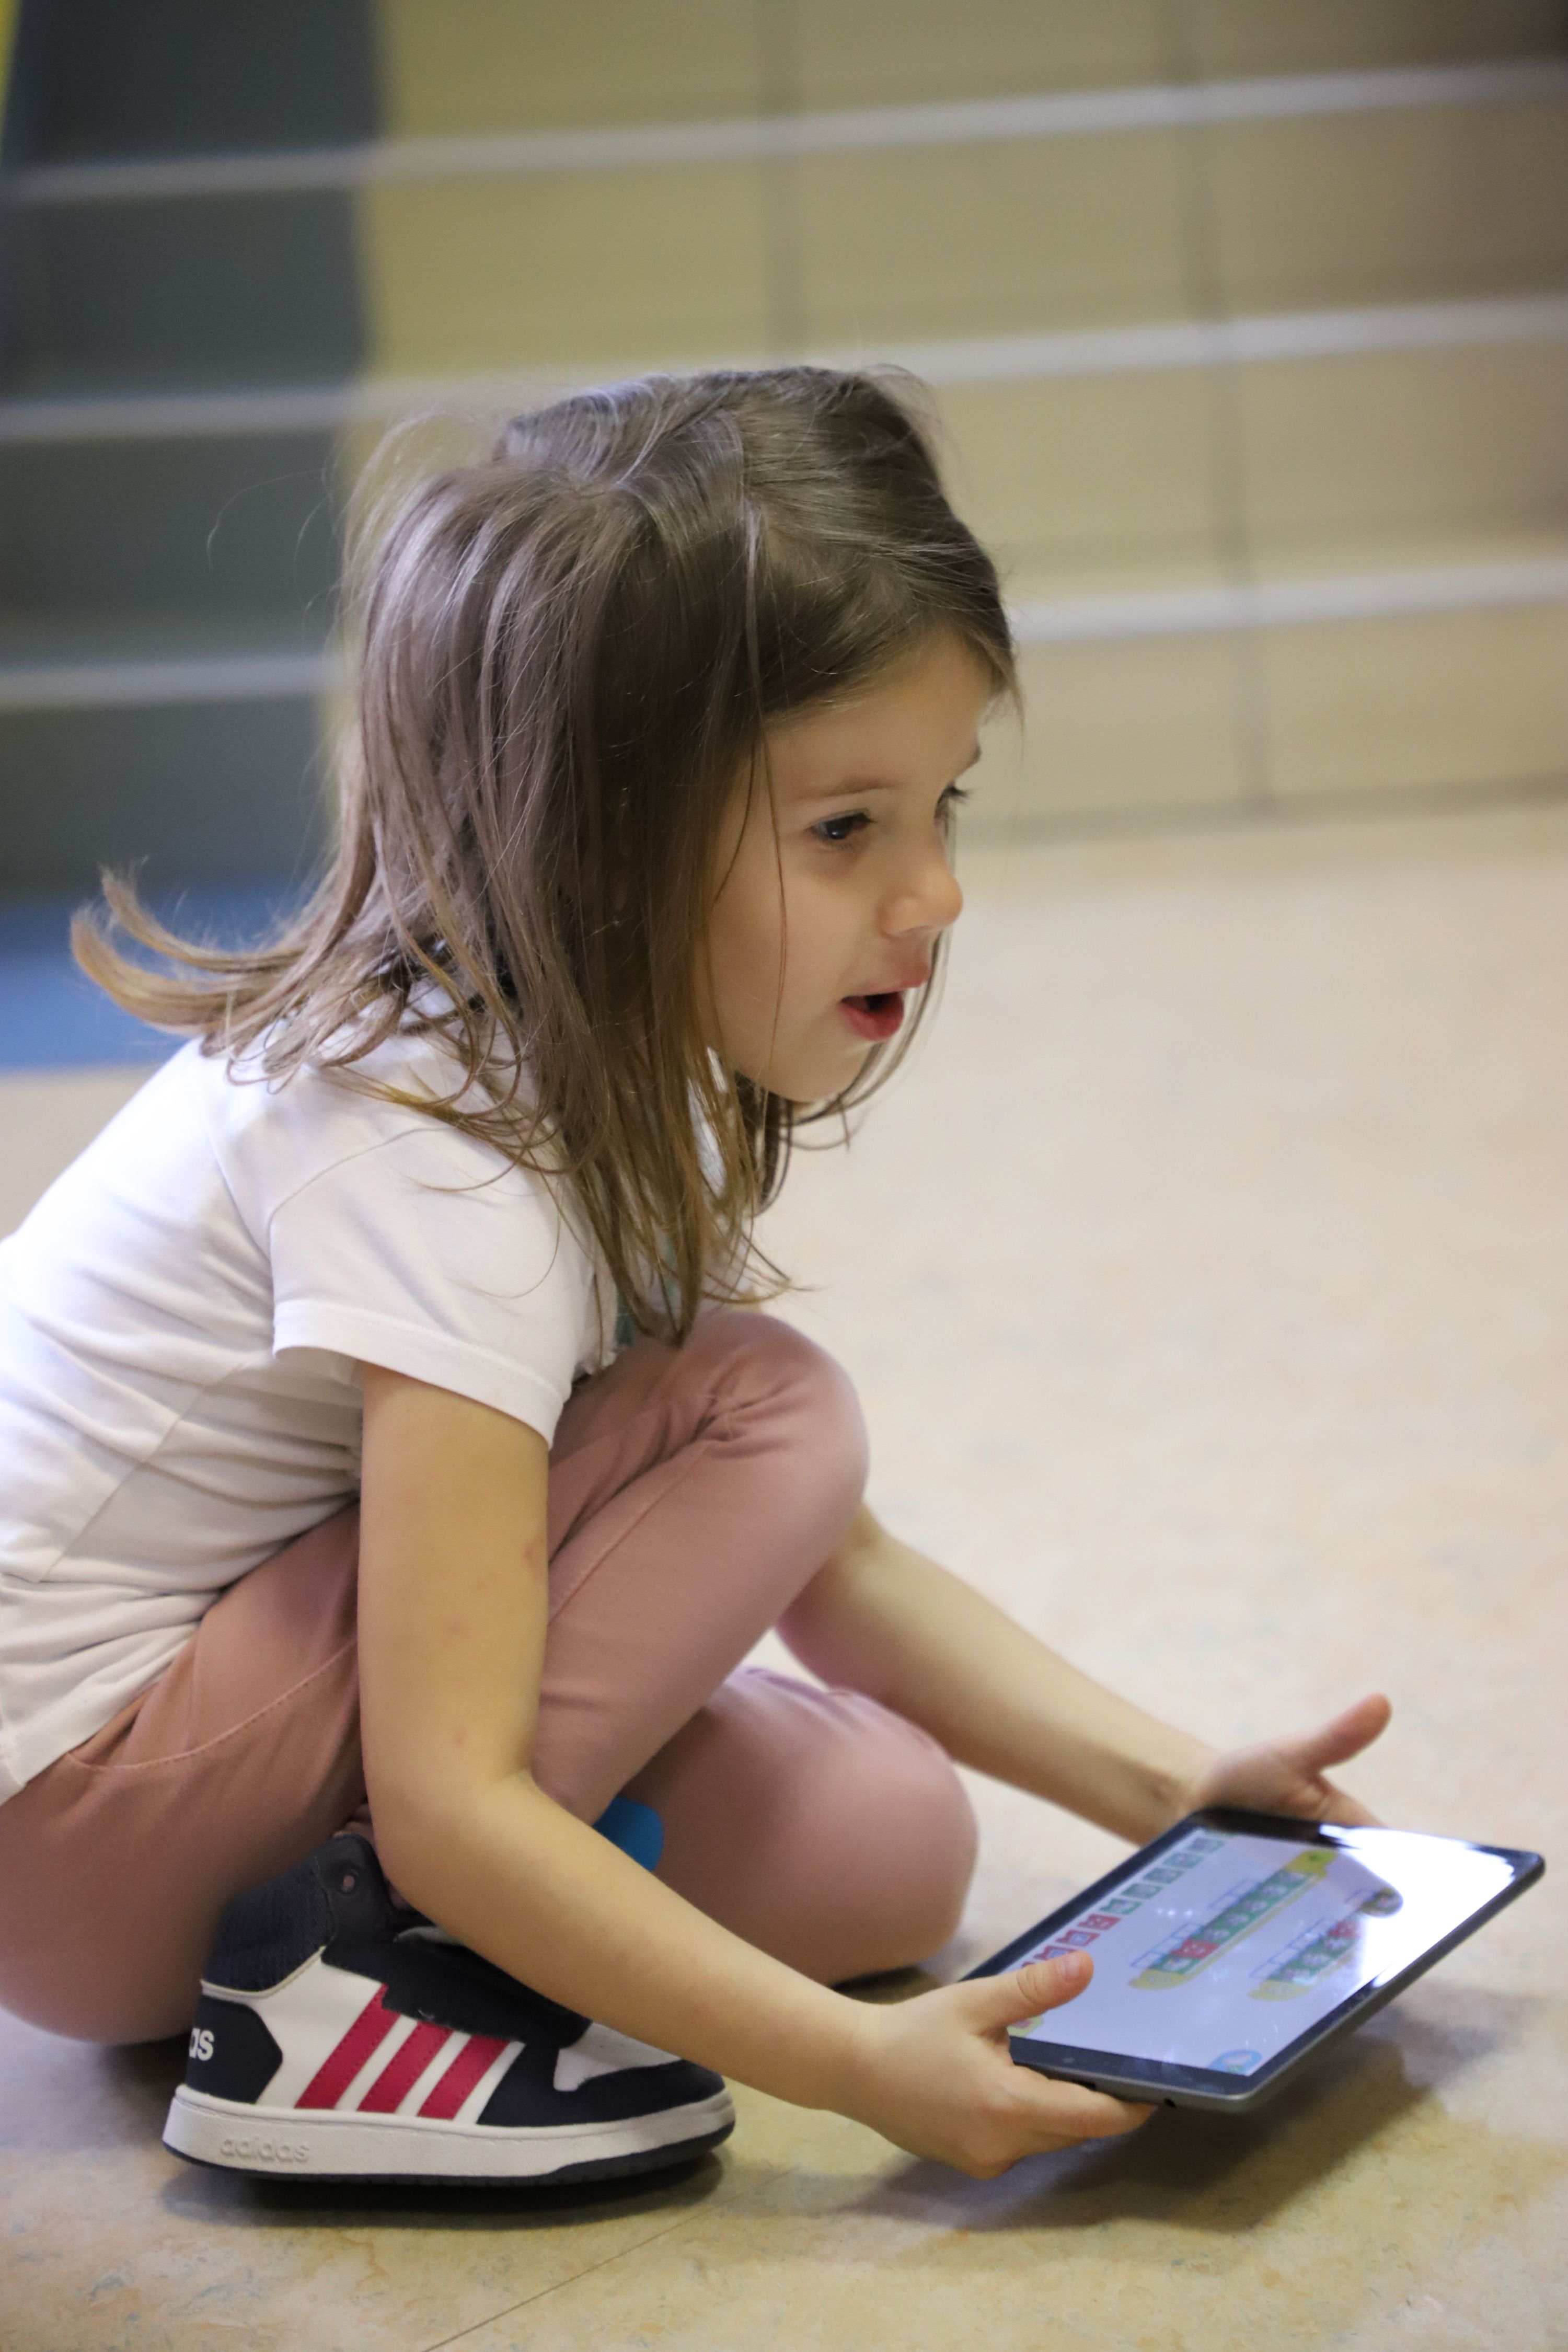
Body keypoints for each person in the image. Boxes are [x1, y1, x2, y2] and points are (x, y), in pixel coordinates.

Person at [0, 369, 1390, 2188]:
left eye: (943, 806)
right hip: (70, 1815)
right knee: (765, 1401)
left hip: (167, 1770)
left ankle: (471, 1924)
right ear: (605, 832)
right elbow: (452, 1790)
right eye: (848, 828)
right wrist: (859, 2071)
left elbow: (835, 1567)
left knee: (889, 1841)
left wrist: (1177, 1790)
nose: (936, 892)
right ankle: (341, 1989)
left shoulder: (559, 1038)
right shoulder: (440, 1153)